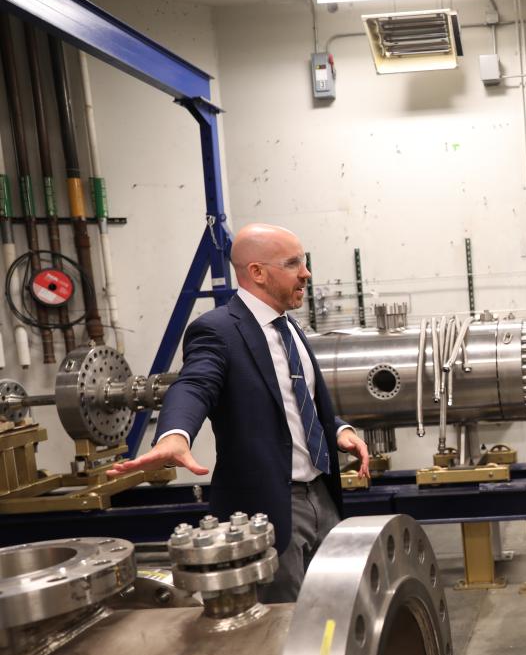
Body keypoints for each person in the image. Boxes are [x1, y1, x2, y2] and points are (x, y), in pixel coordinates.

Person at [108, 223, 370, 603]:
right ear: (257, 273)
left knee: (332, 615)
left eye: (305, 261)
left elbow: (301, 404)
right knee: (282, 626)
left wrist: (339, 429)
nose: (306, 273)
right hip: (271, 509)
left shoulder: (290, 327)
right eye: (294, 263)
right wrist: (175, 434)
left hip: (322, 496)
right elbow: (194, 384)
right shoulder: (217, 331)